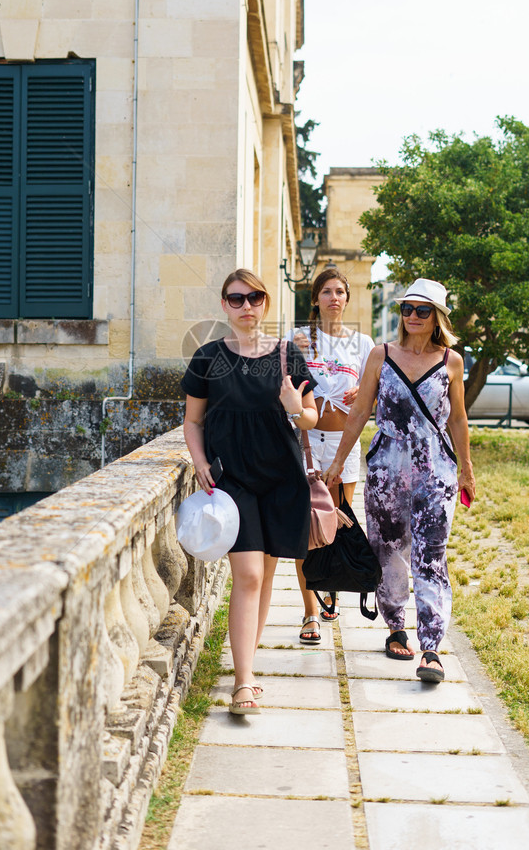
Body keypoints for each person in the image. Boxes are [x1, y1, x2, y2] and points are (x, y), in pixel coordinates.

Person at [324, 278, 475, 684]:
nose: (411, 316)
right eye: (406, 309)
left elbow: (457, 418)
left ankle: (431, 648)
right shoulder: (381, 355)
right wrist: (339, 462)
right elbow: (358, 414)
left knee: (432, 553)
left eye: (421, 310)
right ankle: (395, 626)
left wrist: (467, 468)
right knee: (388, 549)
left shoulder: (452, 362)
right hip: (386, 469)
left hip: (436, 471)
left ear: (437, 317)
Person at [182, 269, 318, 714]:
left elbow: (311, 418)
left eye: (254, 298)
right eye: (236, 299)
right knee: (249, 576)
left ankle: (248, 665)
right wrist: (200, 462)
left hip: (281, 478)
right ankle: (243, 682)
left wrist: (297, 409)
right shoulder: (207, 358)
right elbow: (193, 421)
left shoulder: (286, 355)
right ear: (224, 305)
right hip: (232, 481)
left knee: (266, 578)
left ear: (265, 303)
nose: (246, 307)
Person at [284, 267, 374, 644]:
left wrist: (362, 394)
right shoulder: (297, 338)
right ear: (316, 299)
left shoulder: (364, 344)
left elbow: (376, 394)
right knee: (306, 528)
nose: (333, 297)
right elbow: (284, 388)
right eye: (326, 292)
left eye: (340, 291)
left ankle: (330, 589)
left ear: (348, 299)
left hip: (344, 444)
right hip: (306, 442)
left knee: (338, 525)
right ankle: (309, 613)